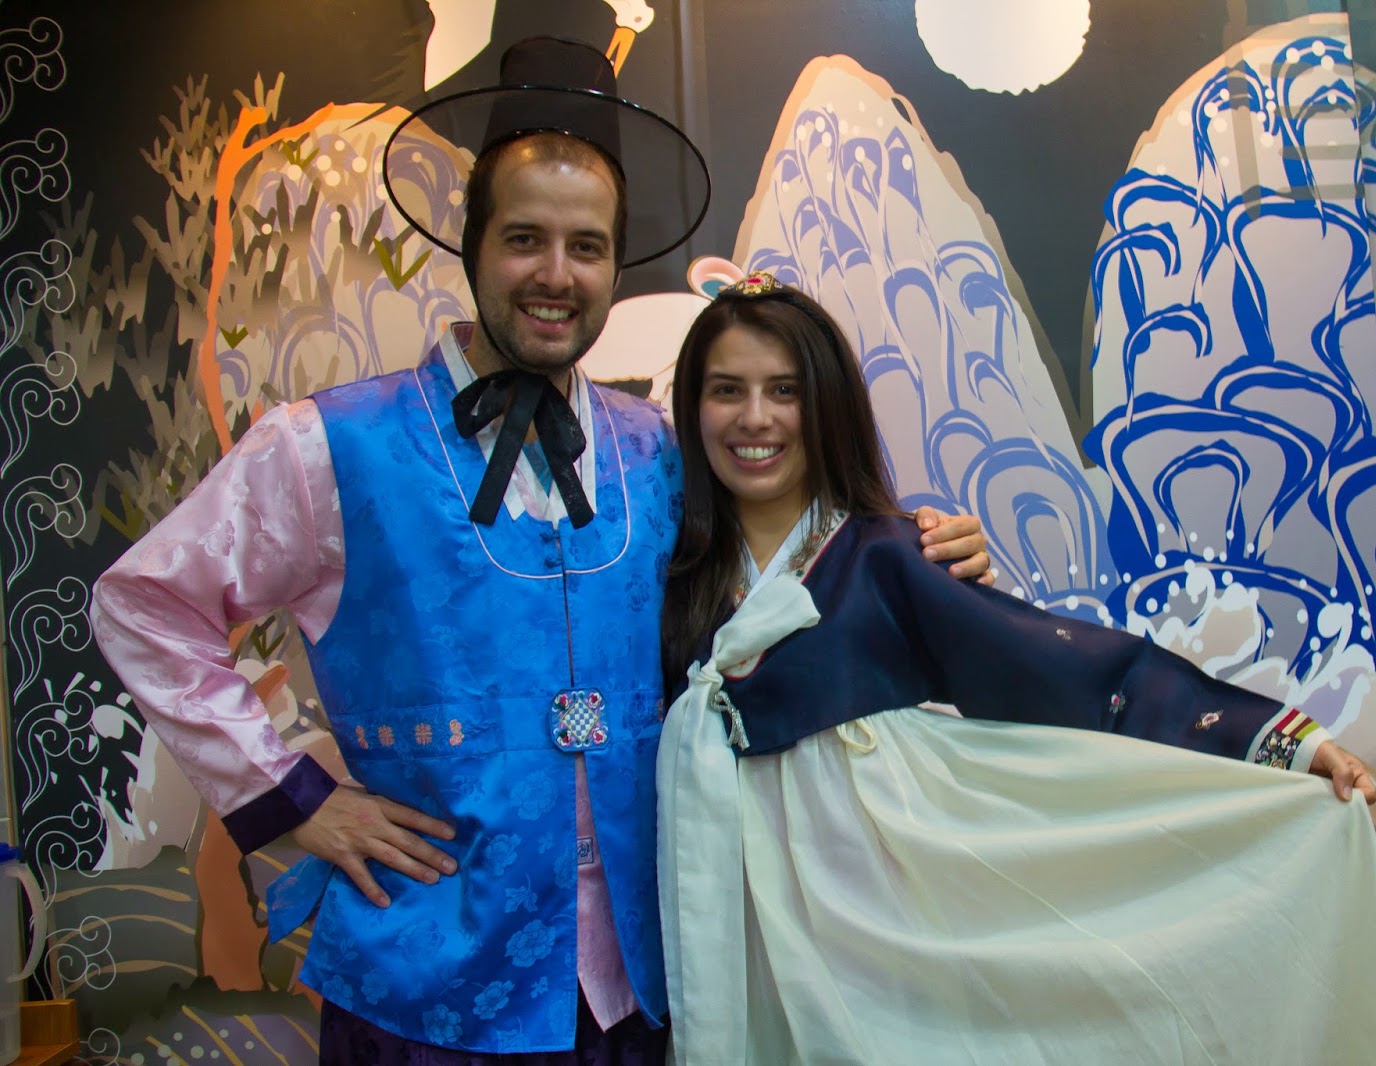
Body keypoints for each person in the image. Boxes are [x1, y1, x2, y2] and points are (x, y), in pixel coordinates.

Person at [89, 39, 989, 1063]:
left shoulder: (659, 449)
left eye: (587, 246)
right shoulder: (330, 446)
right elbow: (143, 605)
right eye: (525, 238)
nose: (556, 276)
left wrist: (918, 553)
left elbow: (782, 582)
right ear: (472, 245)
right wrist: (296, 802)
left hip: (645, 988)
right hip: (426, 995)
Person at [655, 272, 1376, 1066]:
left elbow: (1070, 670)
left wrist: (1282, 744)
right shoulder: (664, 575)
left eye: (785, 390)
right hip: (732, 924)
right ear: (691, 406)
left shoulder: (888, 557)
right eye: (726, 390)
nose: (756, 418)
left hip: (886, 932)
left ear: (826, 404)